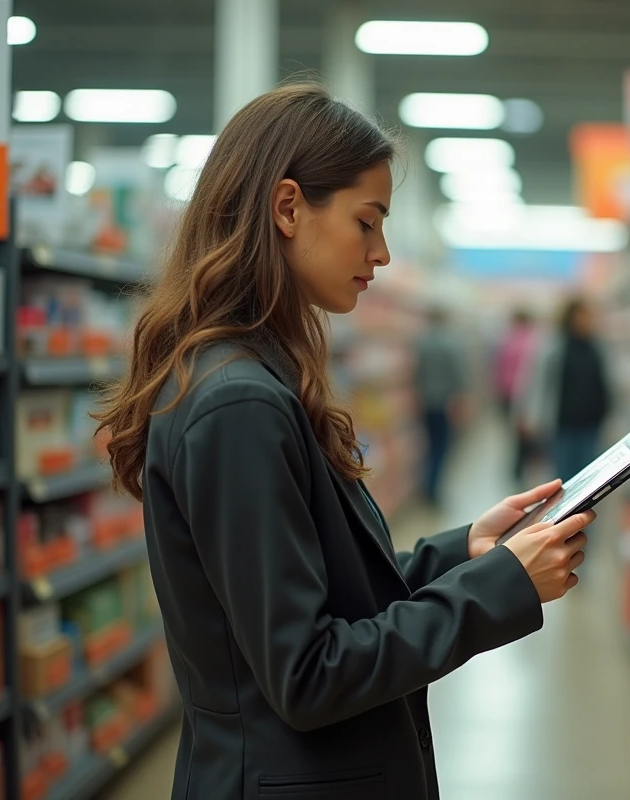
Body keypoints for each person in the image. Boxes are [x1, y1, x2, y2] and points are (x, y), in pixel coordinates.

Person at [93, 83, 592, 800]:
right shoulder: (238, 404)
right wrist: (498, 590)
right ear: (289, 207)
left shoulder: (255, 374)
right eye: (368, 222)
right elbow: (308, 673)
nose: (382, 252)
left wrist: (465, 552)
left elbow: (323, 586)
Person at [522, 298, 614, 482]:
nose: (588, 321)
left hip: (591, 422)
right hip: (562, 423)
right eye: (583, 316)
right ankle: (565, 509)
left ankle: (582, 507)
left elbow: (606, 382)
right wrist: (531, 416)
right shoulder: (554, 347)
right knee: (563, 474)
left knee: (588, 473)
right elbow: (537, 383)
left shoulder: (597, 347)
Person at [414, 307, 467, 506]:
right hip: (444, 402)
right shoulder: (450, 344)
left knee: (429, 444)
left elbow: (416, 372)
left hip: (425, 400)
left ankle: (427, 487)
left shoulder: (422, 343)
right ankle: (434, 490)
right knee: (441, 447)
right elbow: (458, 375)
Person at [493, 308, 539, 484]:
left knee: (515, 433)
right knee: (525, 434)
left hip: (507, 393)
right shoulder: (535, 341)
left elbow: (498, 367)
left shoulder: (506, 341)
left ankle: (517, 468)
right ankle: (522, 466)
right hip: (526, 394)